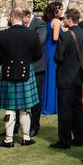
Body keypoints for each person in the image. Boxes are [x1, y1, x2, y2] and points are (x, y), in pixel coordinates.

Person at [0, 8, 42, 147]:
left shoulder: (2, 35)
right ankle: (26, 138)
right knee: (25, 108)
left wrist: (4, 62)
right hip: (27, 72)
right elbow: (38, 55)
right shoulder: (32, 34)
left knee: (10, 108)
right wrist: (27, 60)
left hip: (8, 73)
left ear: (12, 17)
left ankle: (8, 140)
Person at [52, 9, 83, 149]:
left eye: (65, 19)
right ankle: (79, 137)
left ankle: (64, 140)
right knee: (77, 108)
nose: (64, 21)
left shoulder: (65, 36)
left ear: (69, 19)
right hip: (79, 76)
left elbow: (58, 57)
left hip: (65, 76)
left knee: (65, 110)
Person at [24, 8, 48, 136]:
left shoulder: (40, 24)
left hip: (36, 66)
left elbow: (39, 42)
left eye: (23, 20)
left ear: (28, 16)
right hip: (23, 65)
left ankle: (34, 125)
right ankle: (17, 123)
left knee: (36, 98)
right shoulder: (23, 24)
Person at [41, 1, 64, 115]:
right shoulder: (56, 21)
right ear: (55, 11)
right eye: (60, 9)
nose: (61, 11)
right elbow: (55, 37)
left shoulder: (47, 21)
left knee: (48, 75)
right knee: (53, 75)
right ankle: (52, 106)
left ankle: (46, 104)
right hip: (54, 48)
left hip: (47, 48)